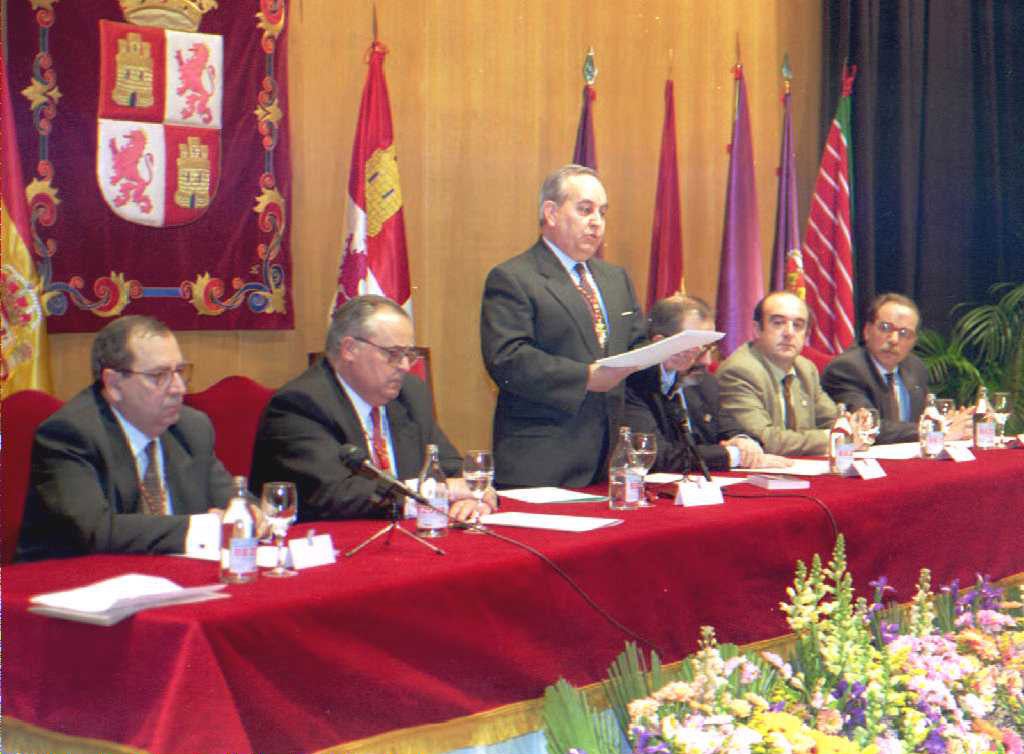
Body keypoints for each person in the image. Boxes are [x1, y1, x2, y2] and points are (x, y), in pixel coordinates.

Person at [251, 295, 494, 522]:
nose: (405, 366)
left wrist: (479, 496)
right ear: (349, 349)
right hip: (334, 550)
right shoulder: (300, 404)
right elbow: (333, 492)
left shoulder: (411, 393)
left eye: (410, 354)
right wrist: (437, 493)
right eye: (394, 354)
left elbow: (449, 467)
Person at [480, 165, 648, 488]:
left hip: (608, 461)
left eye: (602, 212)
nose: (597, 222)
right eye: (585, 210)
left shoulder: (616, 280)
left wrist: (666, 362)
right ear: (551, 213)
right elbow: (507, 359)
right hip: (543, 462)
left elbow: (635, 346)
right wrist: (585, 377)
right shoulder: (514, 278)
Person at [17, 316, 235, 561]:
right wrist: (202, 528)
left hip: (166, 582)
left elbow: (230, 501)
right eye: (159, 375)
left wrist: (248, 513)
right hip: (68, 586)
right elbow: (95, 531)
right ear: (114, 384)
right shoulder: (70, 434)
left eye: (180, 372)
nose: (178, 388)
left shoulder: (191, 428)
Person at [625, 295, 792, 471]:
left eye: (710, 348)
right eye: (698, 348)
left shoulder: (703, 382)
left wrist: (744, 442)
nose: (706, 361)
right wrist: (732, 455)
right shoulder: (635, 383)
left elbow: (731, 428)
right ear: (660, 344)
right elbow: (657, 456)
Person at [822, 292, 972, 443]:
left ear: (913, 341)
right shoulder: (847, 368)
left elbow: (928, 414)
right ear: (867, 331)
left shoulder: (915, 367)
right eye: (885, 328)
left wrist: (955, 421)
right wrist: (936, 430)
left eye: (904, 333)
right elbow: (865, 426)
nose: (894, 340)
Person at [717, 291, 848, 456]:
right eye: (778, 323)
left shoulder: (806, 369)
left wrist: (852, 426)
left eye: (798, 325)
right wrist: (831, 438)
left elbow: (835, 422)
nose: (789, 333)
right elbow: (765, 440)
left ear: (806, 334)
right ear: (757, 330)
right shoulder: (739, 371)